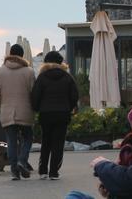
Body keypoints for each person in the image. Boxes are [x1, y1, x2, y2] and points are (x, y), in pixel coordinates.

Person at [30, 49, 78, 180]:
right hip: (62, 113)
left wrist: (38, 108)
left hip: (46, 114)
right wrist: (69, 107)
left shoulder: (42, 77)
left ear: (46, 63)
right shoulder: (67, 77)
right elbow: (74, 95)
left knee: (46, 142)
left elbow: (35, 96)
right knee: (58, 143)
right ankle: (54, 172)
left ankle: (43, 171)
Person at [0, 43, 35, 181]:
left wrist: (1, 105)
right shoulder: (29, 71)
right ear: (22, 56)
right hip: (25, 111)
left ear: (10, 54)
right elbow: (33, 92)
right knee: (28, 137)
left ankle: (14, 172)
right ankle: (22, 161)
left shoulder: (0, 71)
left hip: (7, 111)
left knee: (11, 140)